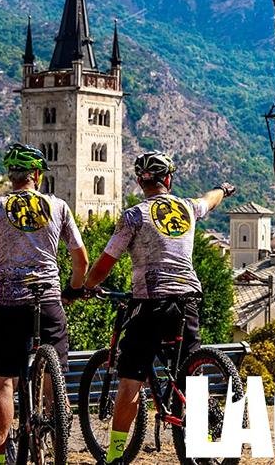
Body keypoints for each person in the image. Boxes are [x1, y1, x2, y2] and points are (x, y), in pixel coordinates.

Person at [82, 151, 235, 465]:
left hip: (151, 301)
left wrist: (85, 286)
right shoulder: (186, 208)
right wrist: (223, 189)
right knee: (190, 371)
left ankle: (115, 455)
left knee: (131, 378)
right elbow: (209, 200)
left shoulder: (134, 216)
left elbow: (106, 263)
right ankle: (204, 444)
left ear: (141, 182)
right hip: (188, 299)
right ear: (168, 179)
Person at [0, 143, 89, 465]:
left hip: (9, 303)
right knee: (54, 376)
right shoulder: (58, 207)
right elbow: (81, 260)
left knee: (3, 380)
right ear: (37, 175)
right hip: (49, 300)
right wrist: (73, 289)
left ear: (10, 176)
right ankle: (56, 433)